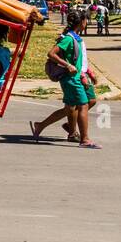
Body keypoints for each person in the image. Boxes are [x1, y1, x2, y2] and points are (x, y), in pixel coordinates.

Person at [31, 10, 100, 148]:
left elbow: (80, 59)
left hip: (76, 77)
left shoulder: (76, 38)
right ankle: (84, 139)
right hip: (71, 79)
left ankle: (41, 126)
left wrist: (87, 72)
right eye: (86, 20)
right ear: (81, 22)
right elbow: (51, 53)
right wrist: (68, 65)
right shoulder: (69, 38)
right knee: (83, 105)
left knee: (72, 108)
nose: (86, 23)